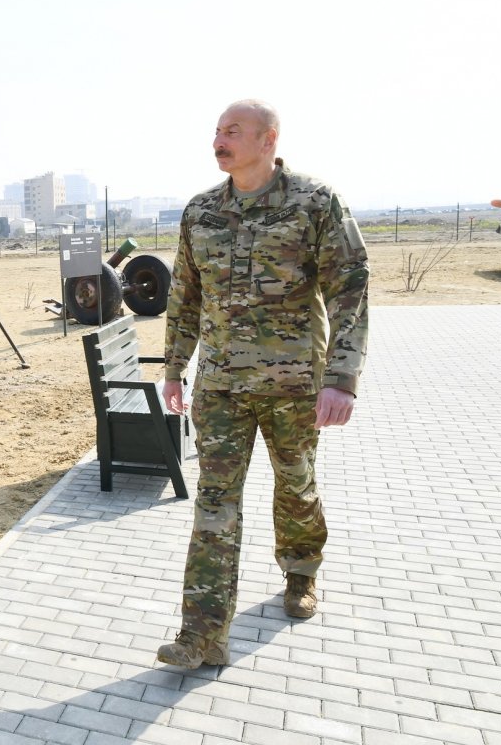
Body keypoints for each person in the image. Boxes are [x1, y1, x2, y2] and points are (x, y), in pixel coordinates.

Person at [156, 100, 370, 669]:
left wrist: (342, 378)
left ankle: (300, 571)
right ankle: (201, 636)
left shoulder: (314, 202)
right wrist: (174, 368)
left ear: (268, 138)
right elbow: (185, 295)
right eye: (217, 131)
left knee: (295, 486)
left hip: (295, 384)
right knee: (214, 501)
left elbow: (350, 288)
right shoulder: (200, 212)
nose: (219, 139)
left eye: (232, 131)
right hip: (221, 385)